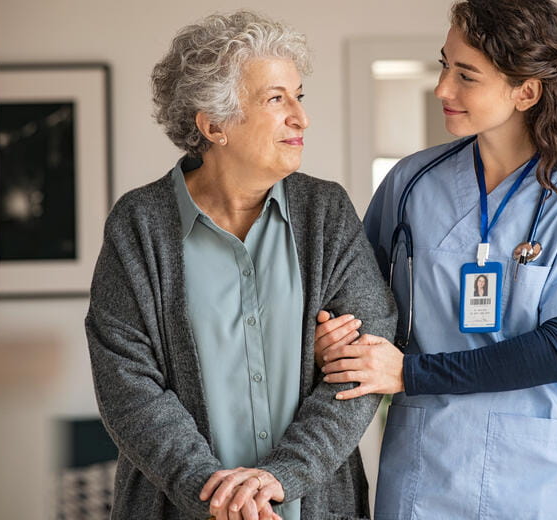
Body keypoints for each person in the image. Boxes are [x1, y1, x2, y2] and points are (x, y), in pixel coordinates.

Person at [314, 0, 557, 517]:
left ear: (525, 90)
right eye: (445, 65)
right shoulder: (410, 184)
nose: (443, 88)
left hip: (544, 480)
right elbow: (356, 299)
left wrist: (408, 374)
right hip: (428, 470)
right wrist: (332, 337)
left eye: (466, 75)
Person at [85, 11, 395, 520]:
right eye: (276, 99)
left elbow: (364, 362)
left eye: (299, 96)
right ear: (213, 125)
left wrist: (280, 476)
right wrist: (217, 494)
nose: (301, 117)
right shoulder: (138, 225)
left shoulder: (326, 212)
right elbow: (128, 387)